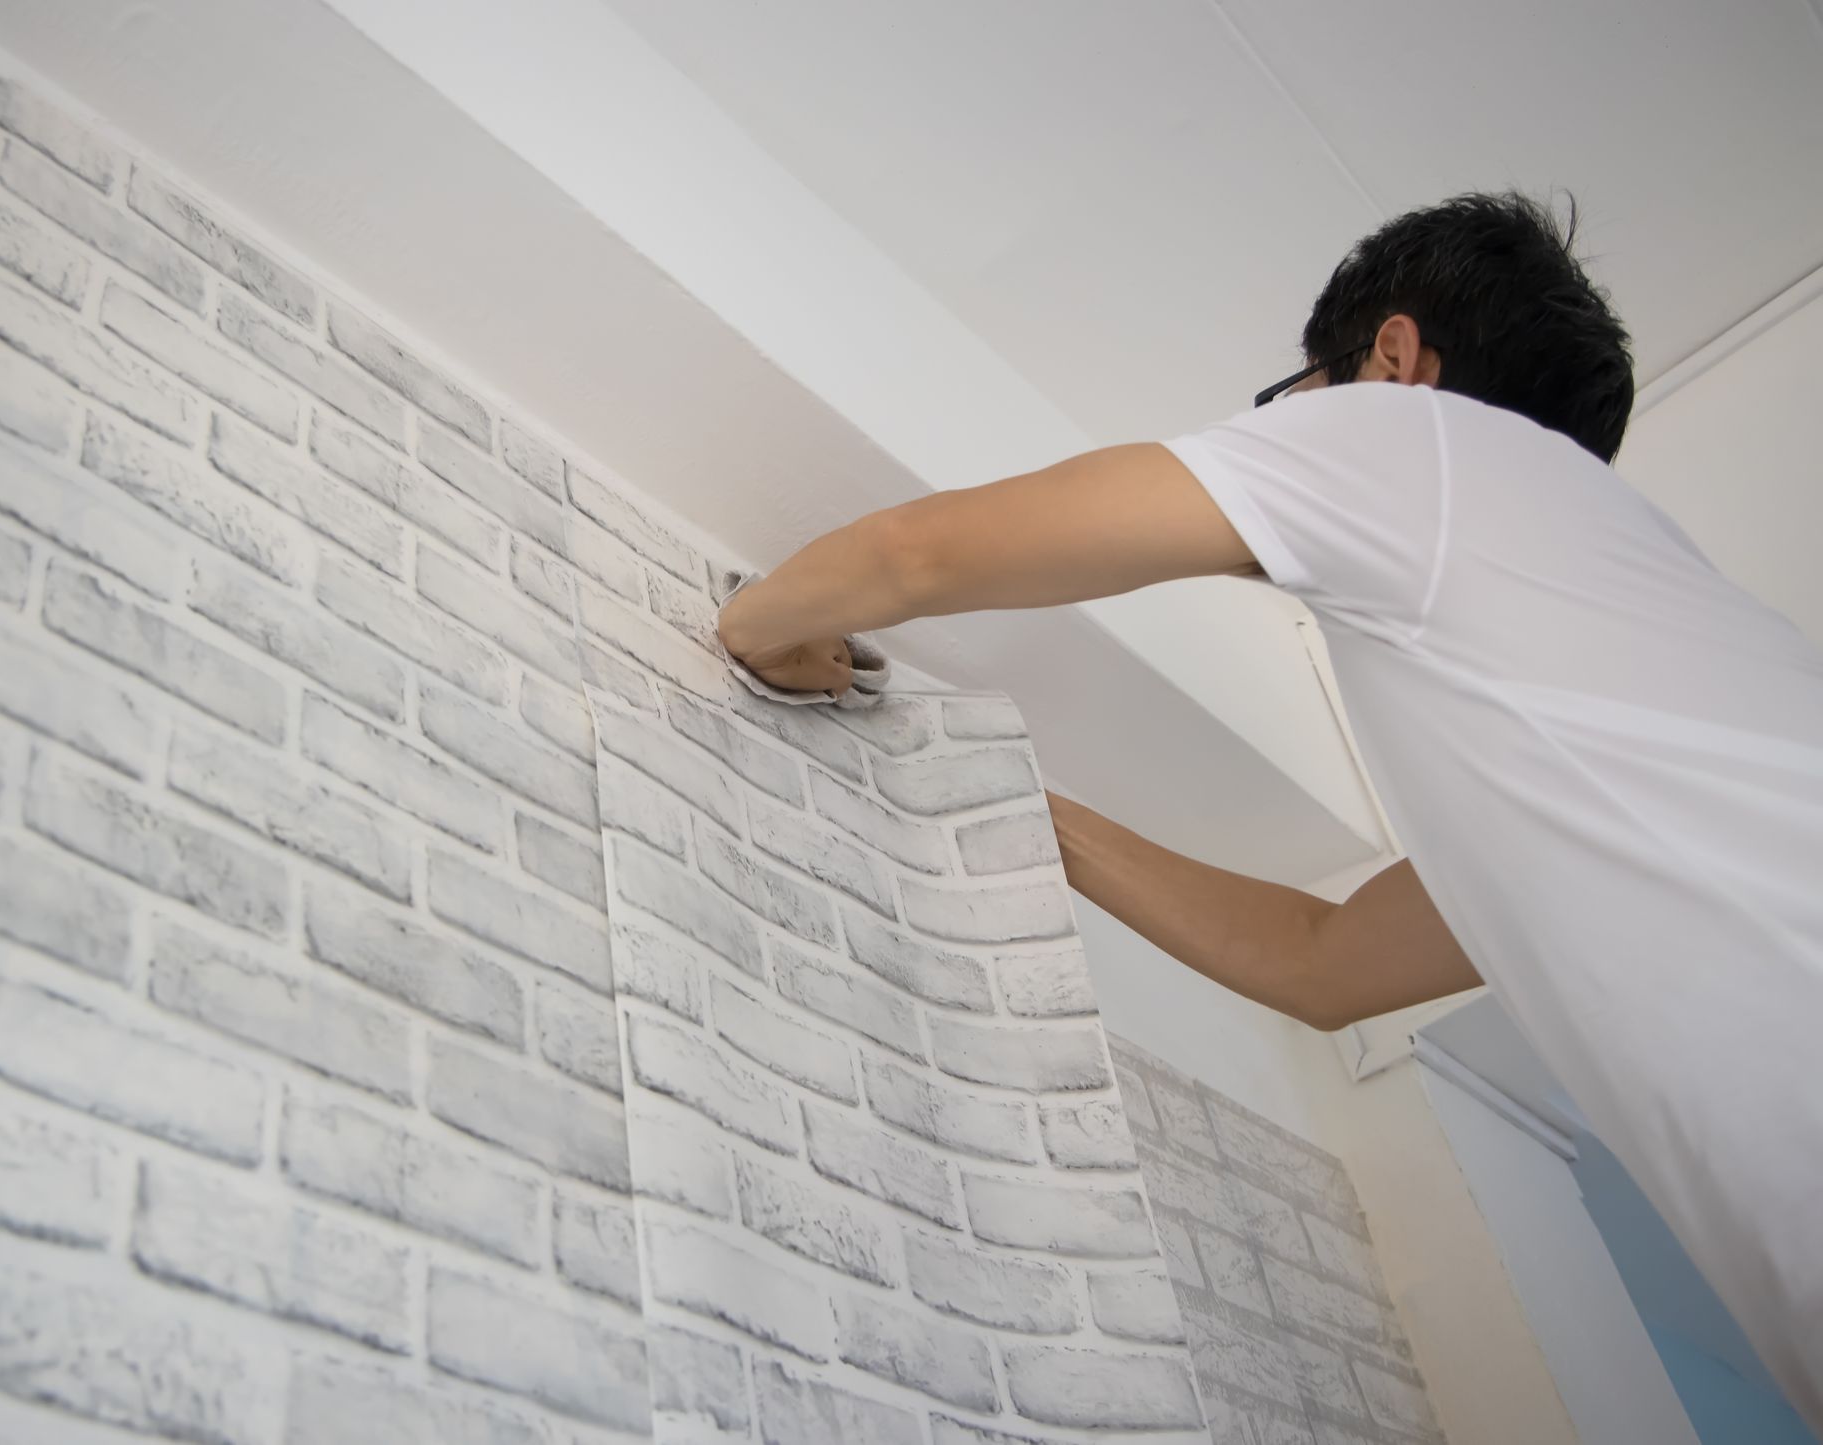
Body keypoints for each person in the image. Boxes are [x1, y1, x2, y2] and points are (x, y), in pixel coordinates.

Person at [715, 191, 1823, 1426]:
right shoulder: (1638, 694)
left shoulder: (1420, 441)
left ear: (1391, 362)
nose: (1292, 429)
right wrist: (1004, 790)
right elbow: (1327, 961)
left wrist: (757, 625)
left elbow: (923, 554)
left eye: (1298, 391)